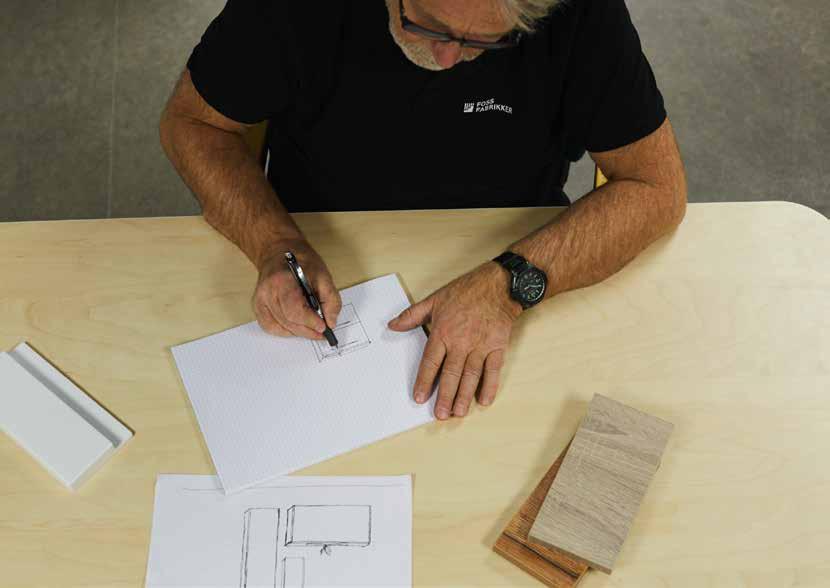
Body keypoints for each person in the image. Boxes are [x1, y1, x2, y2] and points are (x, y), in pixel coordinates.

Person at [160, 0, 687, 421]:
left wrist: (508, 286)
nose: (449, 59)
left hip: (521, 256)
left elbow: (655, 188)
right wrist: (273, 242)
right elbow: (193, 124)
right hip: (317, 245)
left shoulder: (579, 10)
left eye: (486, 41)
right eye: (428, 26)